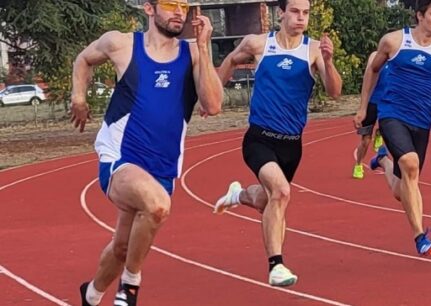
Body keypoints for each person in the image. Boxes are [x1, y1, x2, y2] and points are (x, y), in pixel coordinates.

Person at [70, 1, 223, 305]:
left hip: (162, 168)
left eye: (184, 5)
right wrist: (78, 98)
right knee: (157, 206)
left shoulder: (193, 53)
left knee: (122, 249)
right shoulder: (122, 44)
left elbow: (213, 105)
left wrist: (204, 49)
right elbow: (83, 60)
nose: (180, 12)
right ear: (149, 9)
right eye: (170, 4)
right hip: (119, 159)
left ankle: (91, 295)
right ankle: (131, 284)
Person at [213, 0, 342, 287]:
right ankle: (276, 266)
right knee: (281, 193)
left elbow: (334, 92)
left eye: (306, 13)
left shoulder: (312, 51)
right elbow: (231, 60)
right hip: (259, 138)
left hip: (292, 146)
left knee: (265, 200)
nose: (301, 18)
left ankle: (240, 195)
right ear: (281, 13)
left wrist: (329, 62)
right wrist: (213, 97)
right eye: (295, 11)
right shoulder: (258, 44)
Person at [353, 0, 431, 256]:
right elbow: (372, 71)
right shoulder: (394, 41)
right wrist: (364, 108)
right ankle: (420, 237)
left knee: (404, 187)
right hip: (392, 115)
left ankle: (384, 162)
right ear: (420, 16)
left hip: (421, 121)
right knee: (410, 164)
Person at [352, 51, 388, 179]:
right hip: (372, 103)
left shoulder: (399, 59)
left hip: (388, 103)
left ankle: (380, 132)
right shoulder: (376, 58)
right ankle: (358, 164)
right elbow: (369, 80)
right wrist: (363, 107)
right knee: (365, 140)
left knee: (392, 131)